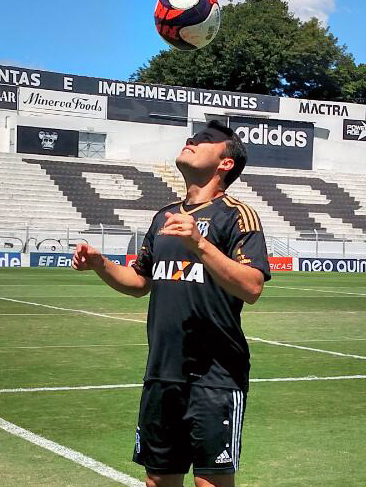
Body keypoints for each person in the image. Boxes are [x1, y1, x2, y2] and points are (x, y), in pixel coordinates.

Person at [72, 120, 271, 487]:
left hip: (216, 374)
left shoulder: (236, 214)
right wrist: (101, 264)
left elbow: (252, 287)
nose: (192, 140)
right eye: (193, 136)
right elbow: (139, 282)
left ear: (226, 163)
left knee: (210, 482)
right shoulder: (164, 216)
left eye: (205, 139)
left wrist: (200, 244)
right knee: (158, 480)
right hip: (162, 370)